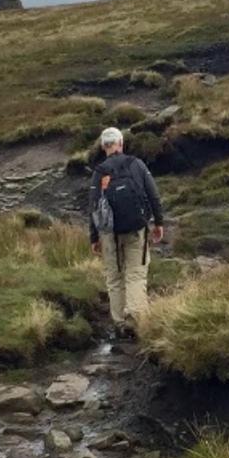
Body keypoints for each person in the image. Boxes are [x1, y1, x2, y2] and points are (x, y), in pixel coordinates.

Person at [88, 126, 165, 338]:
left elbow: (94, 206)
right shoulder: (136, 164)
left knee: (114, 277)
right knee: (136, 274)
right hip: (136, 228)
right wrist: (158, 222)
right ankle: (136, 319)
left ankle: (120, 323)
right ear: (120, 143)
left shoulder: (99, 172)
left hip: (109, 232)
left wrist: (94, 237)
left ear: (104, 147)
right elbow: (153, 194)